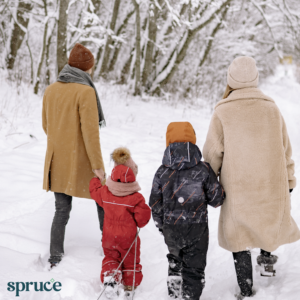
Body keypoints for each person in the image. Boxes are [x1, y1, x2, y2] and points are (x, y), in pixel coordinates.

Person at [203, 56, 300, 299]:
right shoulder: (271, 108)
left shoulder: (223, 111)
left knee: (240, 235)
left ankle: (245, 288)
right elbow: (285, 149)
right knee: (267, 220)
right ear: (256, 77)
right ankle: (267, 259)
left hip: (238, 187)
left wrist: (208, 181)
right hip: (269, 183)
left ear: (230, 79)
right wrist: (289, 179)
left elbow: (213, 152)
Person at [42, 43, 106, 268]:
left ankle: (55, 256)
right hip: (81, 161)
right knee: (102, 200)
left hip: (57, 160)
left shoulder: (50, 90)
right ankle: (110, 248)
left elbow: (46, 126)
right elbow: (91, 134)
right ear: (86, 68)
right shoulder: (86, 91)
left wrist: (63, 139)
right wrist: (98, 166)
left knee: (61, 209)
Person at [149, 122, 226, 300]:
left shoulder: (162, 172)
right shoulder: (203, 170)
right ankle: (190, 295)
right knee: (194, 269)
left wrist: (162, 225)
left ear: (168, 142)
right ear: (193, 140)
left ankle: (175, 287)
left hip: (171, 228)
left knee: (175, 258)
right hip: (197, 229)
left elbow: (155, 203)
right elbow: (216, 200)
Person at [89, 147, 151, 299]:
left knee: (111, 257)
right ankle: (130, 286)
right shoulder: (136, 198)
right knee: (130, 260)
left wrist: (96, 179)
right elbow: (143, 219)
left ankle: (111, 277)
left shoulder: (105, 192)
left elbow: (94, 190)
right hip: (128, 238)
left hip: (109, 235)